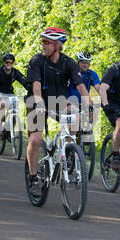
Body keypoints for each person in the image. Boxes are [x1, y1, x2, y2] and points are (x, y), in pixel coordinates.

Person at [25, 27, 89, 197]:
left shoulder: (68, 63)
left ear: (57, 45)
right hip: (36, 101)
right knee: (36, 138)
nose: (42, 45)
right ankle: (33, 178)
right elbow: (36, 87)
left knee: (75, 113)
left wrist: (88, 105)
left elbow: (81, 86)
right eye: (42, 41)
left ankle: (69, 148)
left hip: (58, 102)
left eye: (46, 42)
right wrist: (39, 102)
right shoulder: (37, 60)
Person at [0, 54, 28, 132]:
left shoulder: (15, 72)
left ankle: (10, 131)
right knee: (2, 104)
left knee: (15, 110)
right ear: (4, 63)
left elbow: (24, 82)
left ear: (13, 63)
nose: (8, 64)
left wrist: (31, 91)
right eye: (6, 62)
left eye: (11, 62)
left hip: (9, 94)